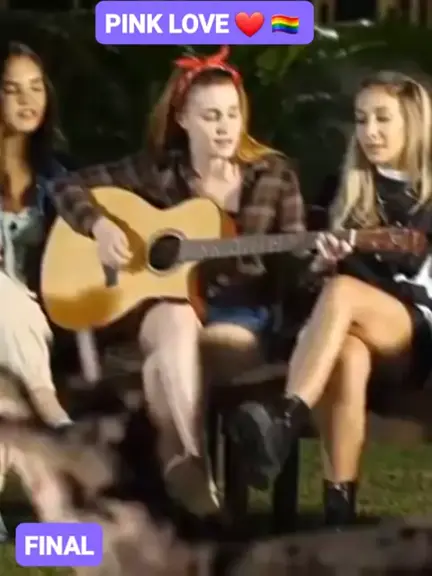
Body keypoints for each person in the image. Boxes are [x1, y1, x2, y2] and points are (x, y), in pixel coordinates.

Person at [49, 46, 312, 517]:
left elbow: (296, 261)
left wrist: (315, 257)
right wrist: (100, 226)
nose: (225, 127)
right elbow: (66, 186)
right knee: (175, 316)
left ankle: (188, 477)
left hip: (239, 321)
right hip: (167, 314)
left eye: (232, 114)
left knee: (162, 369)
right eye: (211, 116)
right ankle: (193, 474)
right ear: (183, 119)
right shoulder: (158, 171)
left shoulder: (274, 175)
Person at [230, 70, 432, 529]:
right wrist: (321, 264)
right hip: (352, 329)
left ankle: (284, 419)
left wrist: (349, 274)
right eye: (361, 120)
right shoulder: (343, 188)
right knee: (347, 355)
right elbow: (307, 286)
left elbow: (412, 265)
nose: (370, 131)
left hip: (415, 334)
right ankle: (338, 515)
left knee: (343, 292)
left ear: (412, 123)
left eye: (382, 118)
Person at [0, 41, 74, 538]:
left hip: (36, 328)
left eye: (35, 88)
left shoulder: (58, 177)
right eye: (13, 90)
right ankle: (53, 418)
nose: (28, 100)